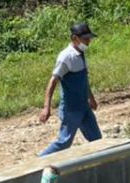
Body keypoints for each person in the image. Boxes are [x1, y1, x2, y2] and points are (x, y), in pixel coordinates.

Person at [38, 22, 103, 156]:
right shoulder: (66, 57)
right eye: (86, 39)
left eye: (89, 38)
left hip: (83, 106)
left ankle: (100, 167)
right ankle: (39, 162)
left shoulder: (80, 54)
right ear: (75, 38)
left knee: (96, 139)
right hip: (71, 109)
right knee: (64, 142)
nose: (88, 41)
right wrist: (46, 107)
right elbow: (53, 81)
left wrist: (91, 98)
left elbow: (83, 80)